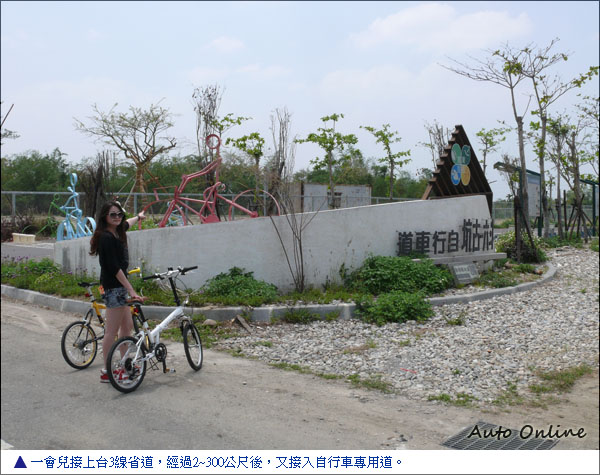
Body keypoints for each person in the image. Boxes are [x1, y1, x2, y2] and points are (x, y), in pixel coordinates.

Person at [89, 201, 146, 383]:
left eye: (119, 214)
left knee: (127, 326)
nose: (117, 217)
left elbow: (127, 223)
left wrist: (139, 217)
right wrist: (131, 290)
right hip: (113, 288)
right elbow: (114, 268)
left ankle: (125, 364)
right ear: (105, 216)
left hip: (118, 288)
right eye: (112, 214)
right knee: (111, 331)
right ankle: (107, 371)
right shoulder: (106, 237)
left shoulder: (117, 231)